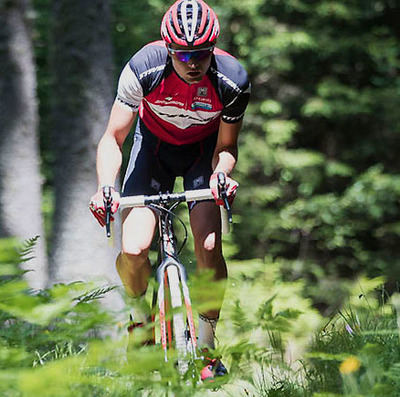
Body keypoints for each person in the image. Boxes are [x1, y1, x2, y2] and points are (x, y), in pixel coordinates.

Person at [89, 0, 250, 380]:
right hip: (153, 153)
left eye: (201, 54)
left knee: (209, 247)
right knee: (132, 248)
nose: (192, 63)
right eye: (182, 55)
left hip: (202, 157)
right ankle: (138, 320)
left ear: (213, 50)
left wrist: (221, 175)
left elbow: (226, 149)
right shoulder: (144, 68)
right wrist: (104, 188)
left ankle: (208, 346)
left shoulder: (232, 81)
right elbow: (113, 138)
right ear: (168, 49)